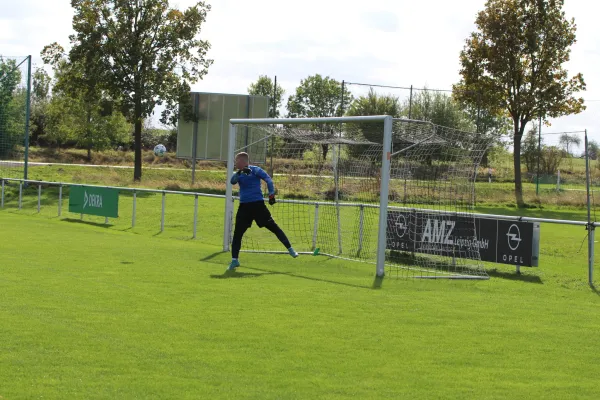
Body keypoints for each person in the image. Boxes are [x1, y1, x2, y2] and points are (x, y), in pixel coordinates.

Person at [227, 152, 298, 271]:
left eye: (237, 161)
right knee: (237, 234)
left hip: (258, 206)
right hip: (244, 207)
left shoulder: (255, 170)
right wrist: (240, 172)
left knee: (273, 227)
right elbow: (232, 181)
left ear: (243, 161)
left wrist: (271, 195)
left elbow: (268, 180)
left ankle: (291, 249)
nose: (235, 163)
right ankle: (234, 260)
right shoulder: (238, 174)